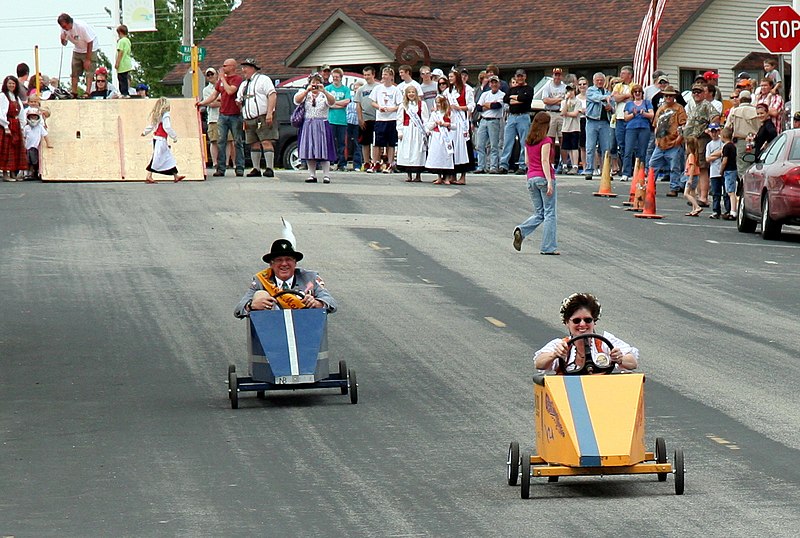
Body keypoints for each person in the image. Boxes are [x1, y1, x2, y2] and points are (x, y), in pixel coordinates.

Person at [533, 293, 639, 374]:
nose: (582, 324)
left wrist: (620, 359)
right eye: (576, 321)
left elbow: (632, 363)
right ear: (567, 323)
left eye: (588, 320)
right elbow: (539, 363)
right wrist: (554, 355)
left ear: (594, 322)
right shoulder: (561, 345)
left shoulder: (606, 342)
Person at [234, 239, 337, 318]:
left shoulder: (310, 278)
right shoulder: (261, 281)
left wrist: (317, 303)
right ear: (271, 264)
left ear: (295, 263)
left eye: (288, 259)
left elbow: (332, 303)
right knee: (260, 294)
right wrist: (252, 306)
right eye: (279, 260)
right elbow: (238, 310)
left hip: (305, 330)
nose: (284, 264)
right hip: (272, 332)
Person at [512, 111, 558, 255]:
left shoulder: (528, 141)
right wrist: (549, 181)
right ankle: (548, 247)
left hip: (531, 177)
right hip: (543, 177)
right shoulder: (546, 141)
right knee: (550, 213)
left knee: (539, 213)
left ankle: (522, 229)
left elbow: (527, 161)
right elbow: (545, 161)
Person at [196, 58, 244, 177]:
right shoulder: (220, 82)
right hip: (222, 115)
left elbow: (230, 91)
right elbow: (214, 95)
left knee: (237, 141)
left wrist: (222, 78)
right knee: (220, 141)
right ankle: (220, 168)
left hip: (235, 115)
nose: (223, 68)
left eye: (225, 66)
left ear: (232, 67)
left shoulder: (237, 79)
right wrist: (202, 103)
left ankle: (239, 167)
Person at [237, 58, 278, 178]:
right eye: (243, 67)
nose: (243, 70)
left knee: (266, 141)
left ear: (253, 68)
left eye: (246, 67)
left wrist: (270, 113)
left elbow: (272, 95)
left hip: (263, 116)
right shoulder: (244, 84)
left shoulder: (263, 80)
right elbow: (239, 100)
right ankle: (256, 168)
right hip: (249, 118)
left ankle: (269, 168)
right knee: (253, 143)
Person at [294, 72, 336, 183]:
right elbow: (297, 101)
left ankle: (326, 175)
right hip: (308, 124)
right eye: (313, 83)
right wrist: (307, 91)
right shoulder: (304, 94)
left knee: (324, 150)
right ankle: (312, 175)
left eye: (318, 83)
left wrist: (324, 91)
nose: (315, 85)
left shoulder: (324, 95)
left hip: (321, 123)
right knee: (310, 150)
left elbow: (332, 102)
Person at [141, 97, 185, 184]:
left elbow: (151, 126)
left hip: (157, 139)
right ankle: (149, 175)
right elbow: (167, 127)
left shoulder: (158, 115)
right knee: (158, 158)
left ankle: (175, 175)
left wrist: (144, 132)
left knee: (167, 157)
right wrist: (174, 136)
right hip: (161, 140)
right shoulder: (166, 115)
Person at [444, 68, 475, 184]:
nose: (450, 79)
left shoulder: (468, 90)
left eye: (451, 76)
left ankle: (463, 176)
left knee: (464, 147)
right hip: (452, 121)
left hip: (462, 121)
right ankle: (453, 174)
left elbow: (472, 105)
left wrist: (460, 108)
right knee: (452, 146)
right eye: (449, 77)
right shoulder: (448, 91)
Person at [500, 69, 534, 174]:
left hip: (523, 116)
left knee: (524, 142)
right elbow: (506, 99)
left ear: (525, 77)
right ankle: (503, 165)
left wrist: (515, 99)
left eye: (521, 76)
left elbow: (526, 99)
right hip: (511, 117)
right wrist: (518, 99)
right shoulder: (511, 89)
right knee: (507, 141)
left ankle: (523, 165)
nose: (519, 78)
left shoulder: (529, 88)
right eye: (518, 76)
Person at [369, 66, 402, 173]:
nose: (384, 76)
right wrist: (379, 107)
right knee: (377, 142)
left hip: (392, 119)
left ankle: (389, 163)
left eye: (386, 74)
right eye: (383, 74)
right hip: (380, 119)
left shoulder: (396, 90)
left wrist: (392, 109)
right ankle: (375, 163)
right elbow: (372, 102)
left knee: (390, 143)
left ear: (391, 76)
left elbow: (400, 105)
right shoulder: (378, 88)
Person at [57, 13, 98, 98]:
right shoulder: (64, 30)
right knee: (74, 72)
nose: (63, 28)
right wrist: (62, 39)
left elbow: (90, 42)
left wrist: (88, 59)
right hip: (77, 49)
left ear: (69, 23)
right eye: (62, 27)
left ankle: (87, 92)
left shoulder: (81, 27)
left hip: (90, 48)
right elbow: (64, 44)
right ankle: (74, 92)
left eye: (64, 26)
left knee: (89, 71)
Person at [583, 72, 614, 180]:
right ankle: (589, 171)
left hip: (605, 123)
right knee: (590, 147)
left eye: (601, 80)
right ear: (594, 81)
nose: (600, 82)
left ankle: (605, 171)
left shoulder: (608, 92)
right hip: (592, 121)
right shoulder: (591, 90)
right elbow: (596, 98)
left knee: (606, 148)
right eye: (598, 80)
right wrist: (606, 98)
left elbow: (613, 107)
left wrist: (610, 108)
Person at [396, 85, 429, 182]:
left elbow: (425, 119)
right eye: (409, 92)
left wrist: (426, 130)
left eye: (413, 92)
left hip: (417, 131)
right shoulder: (403, 105)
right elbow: (399, 119)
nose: (411, 94)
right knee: (407, 151)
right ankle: (409, 175)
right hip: (407, 131)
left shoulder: (422, 104)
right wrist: (400, 131)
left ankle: (418, 175)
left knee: (417, 151)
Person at [622, 84, 653, 180]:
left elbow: (652, 115)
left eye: (639, 92)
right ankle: (626, 173)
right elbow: (626, 118)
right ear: (633, 94)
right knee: (628, 150)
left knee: (642, 151)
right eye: (635, 92)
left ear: (642, 93)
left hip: (644, 128)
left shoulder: (647, 103)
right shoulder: (629, 104)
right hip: (631, 128)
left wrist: (644, 113)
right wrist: (633, 114)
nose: (637, 93)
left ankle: (641, 171)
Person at [475, 75, 505, 174]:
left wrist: (487, 105)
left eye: (495, 82)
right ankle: (481, 166)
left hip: (494, 120)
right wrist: (489, 105)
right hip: (483, 120)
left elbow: (497, 106)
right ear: (489, 84)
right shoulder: (485, 94)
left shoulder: (502, 95)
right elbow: (478, 107)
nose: (494, 84)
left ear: (499, 84)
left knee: (493, 145)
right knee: (480, 144)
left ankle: (493, 166)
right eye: (492, 82)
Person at [324, 68, 351, 172]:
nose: (335, 79)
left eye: (337, 77)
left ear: (341, 78)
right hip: (330, 120)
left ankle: (341, 164)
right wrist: (338, 104)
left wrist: (334, 103)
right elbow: (327, 103)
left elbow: (347, 101)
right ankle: (330, 162)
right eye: (334, 77)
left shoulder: (345, 89)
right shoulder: (328, 88)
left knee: (341, 143)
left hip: (342, 121)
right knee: (330, 142)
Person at [0, 76, 27, 181]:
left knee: (15, 149)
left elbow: (21, 113)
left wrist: (21, 126)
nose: (11, 85)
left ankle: (13, 173)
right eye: (9, 83)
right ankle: (6, 173)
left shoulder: (16, 97)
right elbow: (1, 112)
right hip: (7, 124)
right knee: (7, 149)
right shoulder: (3, 96)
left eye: (13, 83)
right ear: (6, 84)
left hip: (15, 124)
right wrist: (5, 126)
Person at [425, 95, 455, 184]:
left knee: (446, 156)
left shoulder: (449, 113)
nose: (438, 104)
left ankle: (446, 177)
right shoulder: (434, 114)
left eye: (440, 102)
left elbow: (455, 126)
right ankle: (439, 177)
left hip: (446, 137)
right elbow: (429, 126)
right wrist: (435, 123)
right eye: (437, 102)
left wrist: (447, 124)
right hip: (437, 136)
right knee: (438, 155)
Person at [22, 108, 52, 180]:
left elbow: (45, 135)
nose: (33, 119)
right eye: (31, 117)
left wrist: (48, 144)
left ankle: (34, 173)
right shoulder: (26, 127)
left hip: (35, 147)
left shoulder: (40, 127)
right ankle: (27, 173)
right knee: (27, 161)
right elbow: (24, 137)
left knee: (34, 161)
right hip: (27, 147)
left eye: (35, 117)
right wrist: (23, 145)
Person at [705, 123, 727, 220]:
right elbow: (707, 158)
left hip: (723, 171)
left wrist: (713, 156)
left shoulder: (722, 142)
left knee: (726, 192)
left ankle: (728, 210)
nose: (714, 134)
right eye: (712, 132)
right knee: (716, 193)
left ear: (719, 131)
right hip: (714, 171)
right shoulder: (709, 145)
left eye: (715, 131)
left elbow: (724, 152)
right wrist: (716, 155)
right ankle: (716, 210)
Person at [560, 83, 583, 175]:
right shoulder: (563, 102)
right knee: (567, 147)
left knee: (574, 147)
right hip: (566, 127)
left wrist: (566, 114)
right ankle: (568, 164)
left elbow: (575, 114)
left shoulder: (578, 102)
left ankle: (575, 166)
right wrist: (566, 100)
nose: (570, 92)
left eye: (572, 90)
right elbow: (562, 112)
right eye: (569, 90)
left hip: (575, 127)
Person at [719, 128, 738, 221]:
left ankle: (733, 211)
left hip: (729, 170)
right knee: (730, 191)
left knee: (730, 192)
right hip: (733, 169)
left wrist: (721, 170)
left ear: (723, 136)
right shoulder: (733, 146)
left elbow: (725, 160)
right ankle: (732, 210)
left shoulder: (726, 147)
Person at [683, 137, 702, 216]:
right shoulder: (695, 155)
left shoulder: (691, 155)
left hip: (692, 176)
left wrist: (690, 178)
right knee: (692, 192)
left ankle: (697, 207)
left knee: (686, 194)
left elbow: (692, 167)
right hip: (695, 176)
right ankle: (694, 210)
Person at [114, 25, 133, 97]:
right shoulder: (128, 41)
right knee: (125, 78)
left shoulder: (121, 41)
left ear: (120, 32)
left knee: (121, 79)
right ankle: (125, 92)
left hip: (122, 64)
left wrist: (117, 63)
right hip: (127, 63)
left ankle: (124, 92)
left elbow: (120, 52)